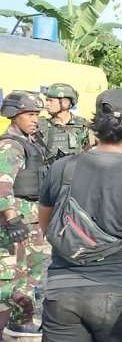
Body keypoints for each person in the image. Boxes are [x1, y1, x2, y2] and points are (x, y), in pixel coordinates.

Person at [37, 88, 122, 341]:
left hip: (62, 293)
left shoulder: (61, 169)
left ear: (95, 125)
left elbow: (48, 228)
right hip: (119, 293)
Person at [0, 90, 48, 338]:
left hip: (33, 219)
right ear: (13, 115)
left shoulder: (32, 144)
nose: (34, 119)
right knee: (9, 278)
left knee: (32, 274)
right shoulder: (10, 145)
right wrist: (12, 218)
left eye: (36, 115)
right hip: (16, 221)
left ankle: (21, 321)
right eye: (29, 114)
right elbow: (2, 185)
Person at [37, 83, 92, 163]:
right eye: (47, 100)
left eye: (51, 101)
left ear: (65, 103)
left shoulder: (83, 125)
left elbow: (91, 153)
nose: (47, 104)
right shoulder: (40, 124)